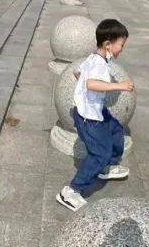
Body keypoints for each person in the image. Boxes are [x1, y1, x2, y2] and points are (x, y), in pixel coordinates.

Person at [56, 19, 135, 212]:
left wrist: (84, 90)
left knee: (116, 130)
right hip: (89, 119)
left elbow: (77, 73)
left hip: (95, 111)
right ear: (108, 44)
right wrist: (120, 85)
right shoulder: (98, 64)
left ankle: (109, 166)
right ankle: (71, 191)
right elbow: (91, 84)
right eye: (121, 45)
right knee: (99, 153)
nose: (122, 49)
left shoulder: (93, 58)